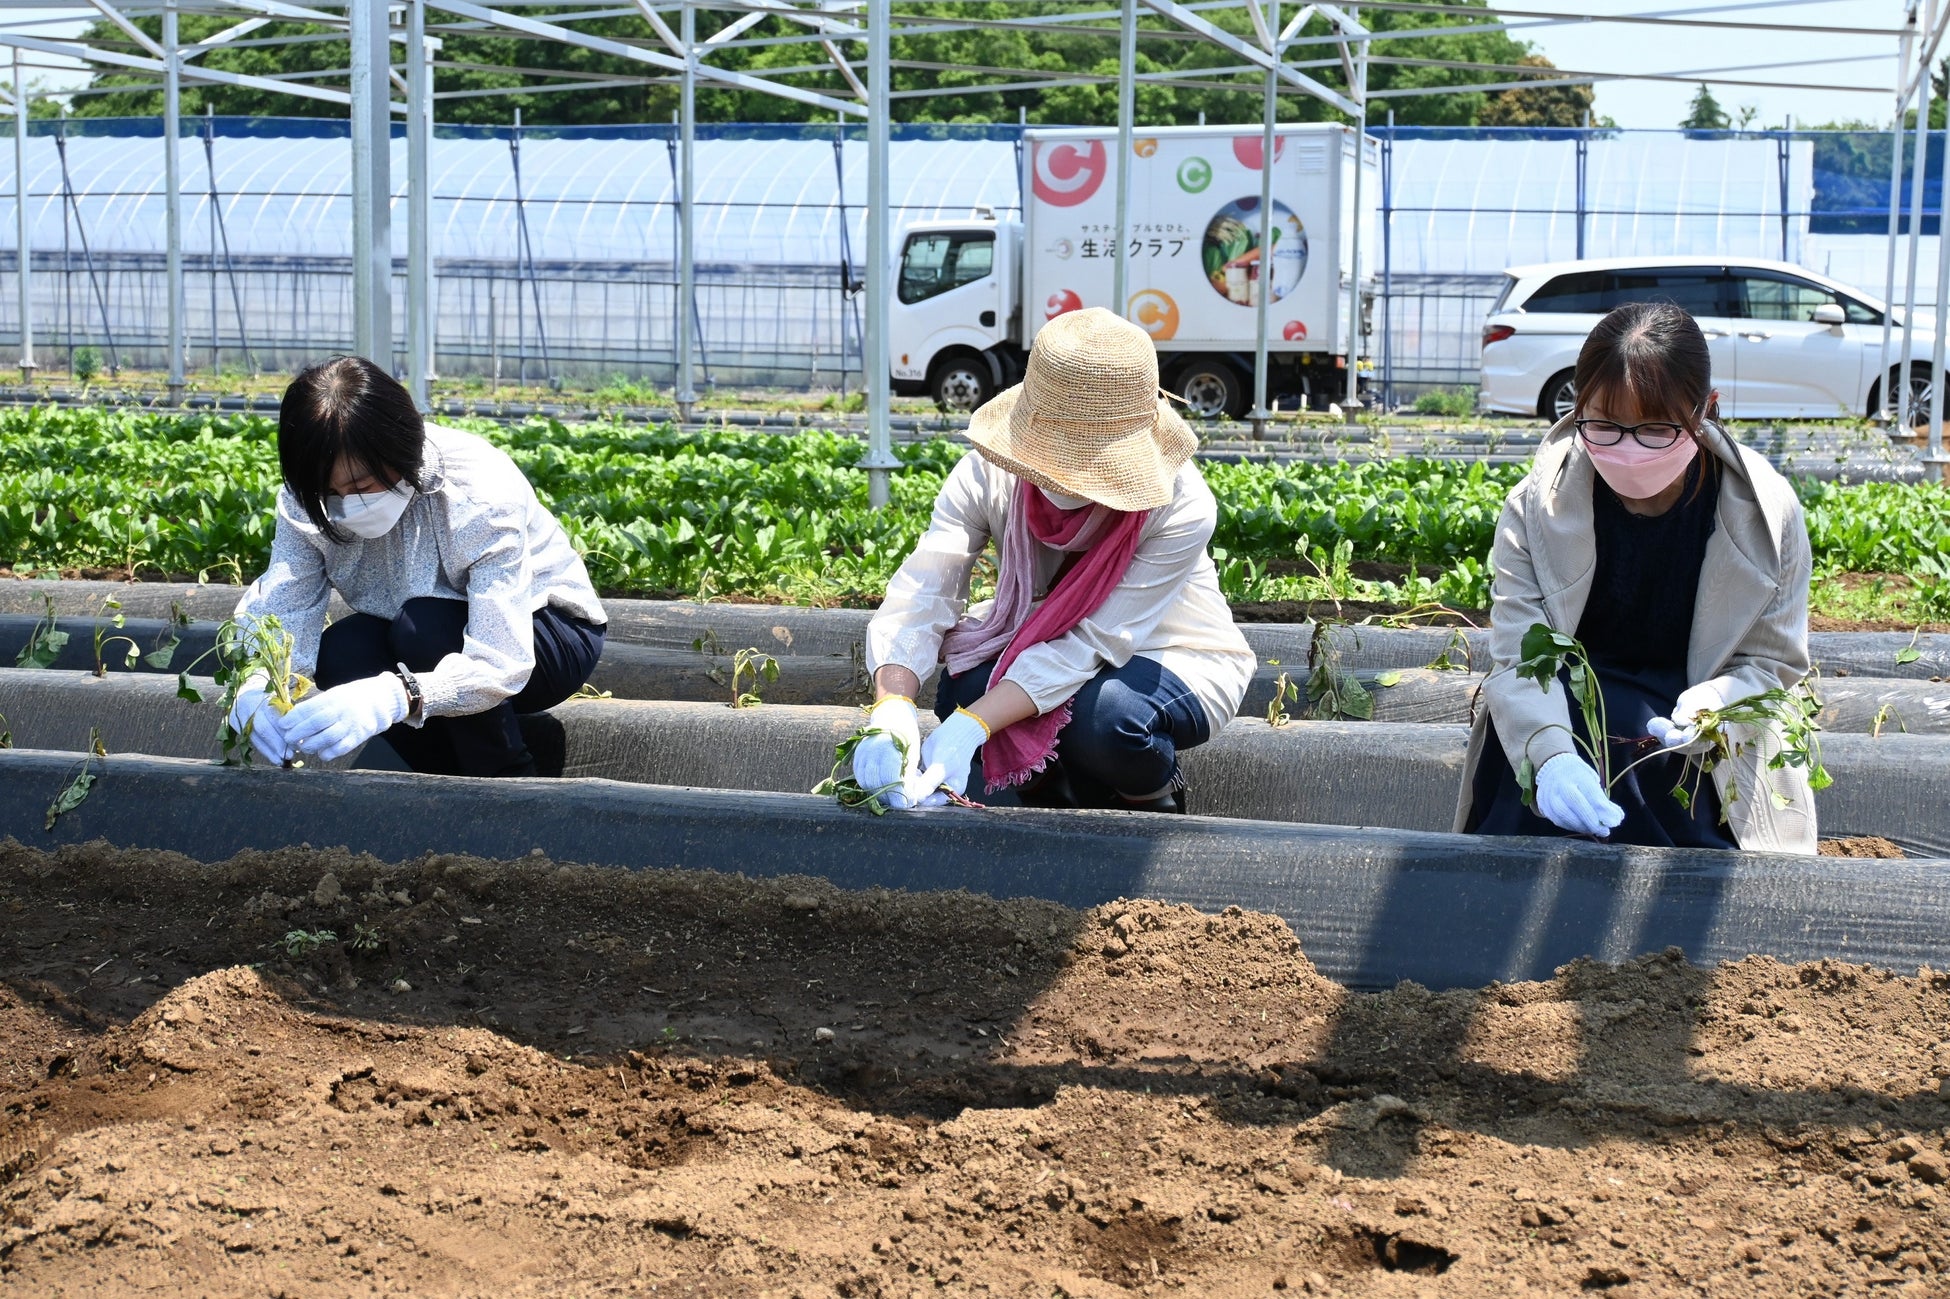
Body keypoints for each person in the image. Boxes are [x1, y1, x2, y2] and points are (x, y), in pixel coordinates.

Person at [856, 308, 1255, 813]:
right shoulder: (988, 475)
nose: (1064, 480)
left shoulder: (1179, 505)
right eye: (1054, 460)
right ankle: (1049, 803)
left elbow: (1095, 640)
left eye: (1085, 463)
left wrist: (974, 726)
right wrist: (891, 708)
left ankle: (1152, 798)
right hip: (1039, 636)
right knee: (964, 685)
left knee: (1107, 719)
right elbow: (926, 589)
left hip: (1170, 649)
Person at [1457, 301, 1816, 852]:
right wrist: (1551, 758)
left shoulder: (1767, 515)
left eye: (1655, 428)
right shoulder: (1537, 507)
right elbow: (1521, 657)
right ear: (1577, 410)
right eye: (1602, 425)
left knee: (1655, 758)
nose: (1627, 450)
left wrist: (1717, 704)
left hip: (1692, 731)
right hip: (1564, 713)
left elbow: (1773, 664)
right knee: (1559, 770)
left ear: (1706, 410)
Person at [229, 356, 607, 777]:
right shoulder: (306, 501)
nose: (343, 504)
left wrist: (399, 696)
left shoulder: (479, 490)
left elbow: (501, 659)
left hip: (543, 633)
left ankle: (507, 780)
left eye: (360, 488)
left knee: (423, 625)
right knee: (343, 652)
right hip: (414, 633)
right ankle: (443, 781)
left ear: (400, 451)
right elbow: (286, 604)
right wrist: (259, 683)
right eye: (327, 492)